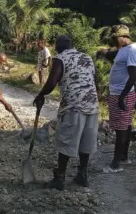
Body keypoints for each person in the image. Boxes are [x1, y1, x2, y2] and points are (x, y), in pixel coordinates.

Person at [33, 35, 99, 190]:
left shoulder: (60, 58)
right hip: (92, 105)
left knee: (66, 141)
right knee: (86, 142)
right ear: (71, 45)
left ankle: (59, 179)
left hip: (73, 106)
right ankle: (82, 176)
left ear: (57, 46)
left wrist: (41, 95)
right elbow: (90, 79)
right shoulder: (86, 57)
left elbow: (52, 81)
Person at [100, 25, 136, 173]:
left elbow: (133, 76)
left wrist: (122, 97)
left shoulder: (132, 50)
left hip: (122, 93)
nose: (114, 42)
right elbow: (112, 55)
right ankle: (124, 157)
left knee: (121, 128)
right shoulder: (124, 49)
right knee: (126, 125)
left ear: (123, 37)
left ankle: (115, 164)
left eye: (115, 38)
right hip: (118, 92)